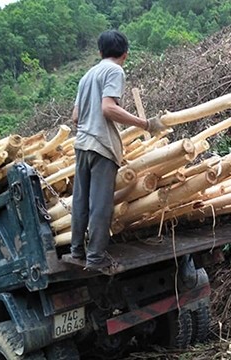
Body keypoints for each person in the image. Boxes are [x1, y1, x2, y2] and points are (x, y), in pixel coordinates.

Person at [70, 30, 166, 273]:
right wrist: (145, 124)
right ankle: (95, 257)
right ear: (125, 54)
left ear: (100, 52)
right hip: (102, 146)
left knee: (81, 201)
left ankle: (76, 251)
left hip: (82, 145)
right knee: (101, 204)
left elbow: (75, 117)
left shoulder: (86, 76)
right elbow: (108, 108)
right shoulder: (114, 71)